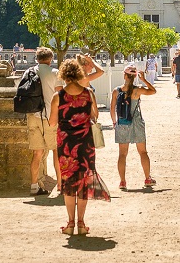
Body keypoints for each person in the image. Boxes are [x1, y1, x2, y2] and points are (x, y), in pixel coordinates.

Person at [49, 57, 111, 235]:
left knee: (69, 182)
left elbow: (53, 122)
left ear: (64, 75)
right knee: (83, 182)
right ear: (78, 73)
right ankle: (82, 224)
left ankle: (70, 224)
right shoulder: (88, 94)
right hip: (85, 142)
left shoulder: (58, 97)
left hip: (66, 143)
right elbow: (94, 116)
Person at [112, 64, 158, 190]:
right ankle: (148, 178)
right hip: (137, 122)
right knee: (143, 152)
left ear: (124, 75)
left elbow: (112, 109)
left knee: (122, 154)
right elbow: (153, 91)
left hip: (122, 123)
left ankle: (122, 181)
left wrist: (115, 123)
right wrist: (144, 80)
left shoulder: (116, 91)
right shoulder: (137, 90)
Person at [27, 47, 60, 196]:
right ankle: (60, 184)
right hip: (49, 116)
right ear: (50, 59)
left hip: (33, 116)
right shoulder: (54, 73)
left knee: (37, 154)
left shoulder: (29, 72)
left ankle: (34, 186)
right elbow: (59, 96)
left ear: (37, 58)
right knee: (56, 151)